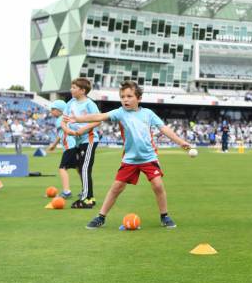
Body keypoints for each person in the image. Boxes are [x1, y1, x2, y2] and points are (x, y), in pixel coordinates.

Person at [64, 80, 192, 229]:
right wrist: (78, 119)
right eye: (123, 96)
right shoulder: (119, 112)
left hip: (149, 157)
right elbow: (100, 116)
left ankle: (165, 216)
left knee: (158, 185)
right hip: (130, 159)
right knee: (116, 187)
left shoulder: (148, 114)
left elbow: (164, 129)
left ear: (139, 98)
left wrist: (180, 141)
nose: (125, 99)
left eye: (129, 96)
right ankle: (101, 217)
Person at [61, 78, 100, 209]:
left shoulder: (89, 104)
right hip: (77, 140)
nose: (71, 89)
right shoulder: (71, 102)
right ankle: (90, 197)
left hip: (88, 140)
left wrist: (83, 129)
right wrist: (67, 130)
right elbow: (63, 120)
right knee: (81, 168)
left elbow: (98, 120)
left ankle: (86, 199)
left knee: (84, 168)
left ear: (82, 90)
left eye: (74, 87)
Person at [47, 100, 77, 200]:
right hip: (75, 145)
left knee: (62, 168)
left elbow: (61, 136)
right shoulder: (66, 118)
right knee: (79, 169)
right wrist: (54, 145)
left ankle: (66, 192)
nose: (51, 111)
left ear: (60, 110)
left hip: (69, 146)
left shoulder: (60, 119)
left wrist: (53, 145)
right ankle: (85, 191)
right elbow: (61, 135)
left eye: (53, 109)